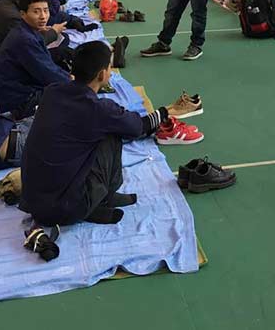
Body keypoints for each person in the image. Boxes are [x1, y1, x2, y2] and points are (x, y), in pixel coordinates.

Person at [20, 41, 186, 227]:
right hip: (63, 210)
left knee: (101, 131)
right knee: (111, 134)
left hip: (35, 202)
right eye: (109, 67)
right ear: (102, 74)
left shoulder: (53, 91)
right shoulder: (99, 110)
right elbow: (136, 127)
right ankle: (97, 201)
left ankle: (95, 198)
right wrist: (166, 112)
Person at [0, 0, 70, 119]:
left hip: (20, 90)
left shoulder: (26, 31)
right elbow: (47, 73)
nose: (43, 16)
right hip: (18, 102)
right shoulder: (25, 39)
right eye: (36, 11)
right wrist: (72, 81)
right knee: (70, 96)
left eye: (45, 10)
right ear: (23, 14)